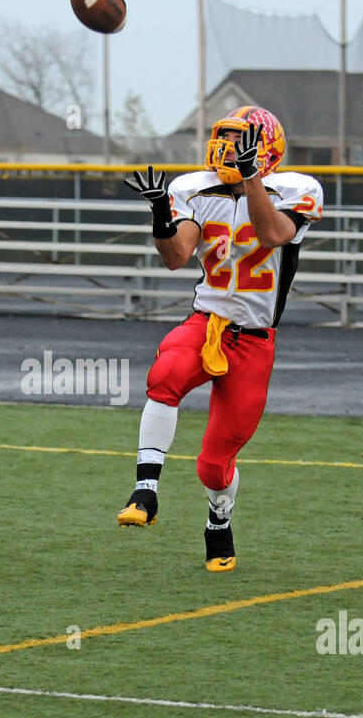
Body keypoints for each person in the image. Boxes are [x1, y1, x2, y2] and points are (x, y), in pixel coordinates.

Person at [117, 106, 323, 571]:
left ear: (265, 149)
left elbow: (271, 233)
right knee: (165, 372)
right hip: (206, 320)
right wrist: (158, 216)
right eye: (224, 139)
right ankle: (145, 490)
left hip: (253, 340)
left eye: (239, 142)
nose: (226, 150)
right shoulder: (194, 188)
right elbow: (176, 256)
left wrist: (251, 179)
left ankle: (218, 517)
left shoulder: (298, 189)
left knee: (214, 463)